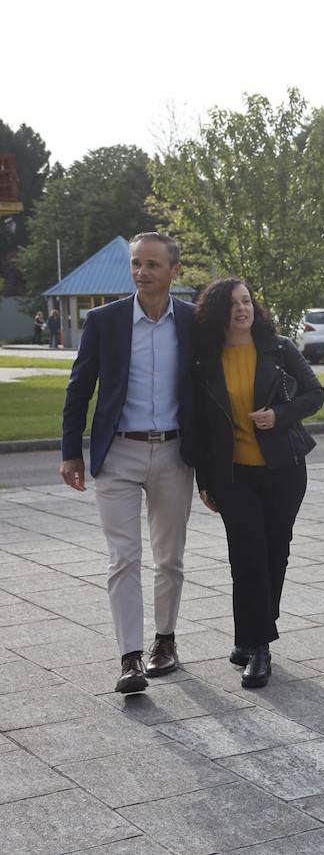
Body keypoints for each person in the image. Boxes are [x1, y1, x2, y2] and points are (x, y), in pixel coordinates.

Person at [60, 232, 197, 693]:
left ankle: (165, 642)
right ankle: (130, 659)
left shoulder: (195, 322)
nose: (142, 272)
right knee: (123, 558)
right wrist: (69, 451)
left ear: (175, 271)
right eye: (137, 263)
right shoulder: (105, 321)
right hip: (117, 453)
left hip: (176, 454)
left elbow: (210, 391)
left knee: (170, 559)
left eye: (153, 265)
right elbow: (79, 389)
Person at [192, 278, 324, 689]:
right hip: (233, 475)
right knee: (246, 556)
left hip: (283, 469)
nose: (242, 309)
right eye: (232, 304)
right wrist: (204, 480)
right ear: (219, 311)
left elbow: (315, 394)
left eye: (246, 301)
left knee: (274, 552)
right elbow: (199, 425)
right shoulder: (204, 358)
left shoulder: (278, 347)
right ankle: (260, 646)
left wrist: (279, 415)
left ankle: (249, 636)